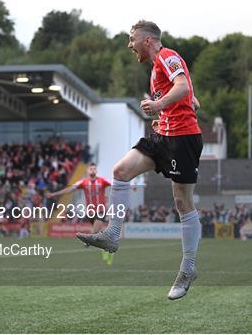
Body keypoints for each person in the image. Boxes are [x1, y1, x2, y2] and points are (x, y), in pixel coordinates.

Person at [76, 20, 203, 300]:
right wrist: (178, 104)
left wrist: (159, 104)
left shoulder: (166, 56)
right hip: (162, 135)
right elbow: (188, 95)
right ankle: (112, 234)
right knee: (120, 171)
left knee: (183, 203)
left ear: (147, 40)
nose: (129, 45)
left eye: (132, 39)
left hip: (183, 138)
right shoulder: (158, 66)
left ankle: (188, 268)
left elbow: (182, 86)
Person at [48, 163, 113, 265]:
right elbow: (70, 189)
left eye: (94, 169)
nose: (92, 170)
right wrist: (55, 194)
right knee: (100, 233)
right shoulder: (84, 182)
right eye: (91, 169)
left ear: (96, 171)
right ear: (88, 171)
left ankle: (87, 240)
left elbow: (115, 184)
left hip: (101, 210)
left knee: (95, 231)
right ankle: (107, 248)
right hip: (90, 212)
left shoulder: (102, 181)